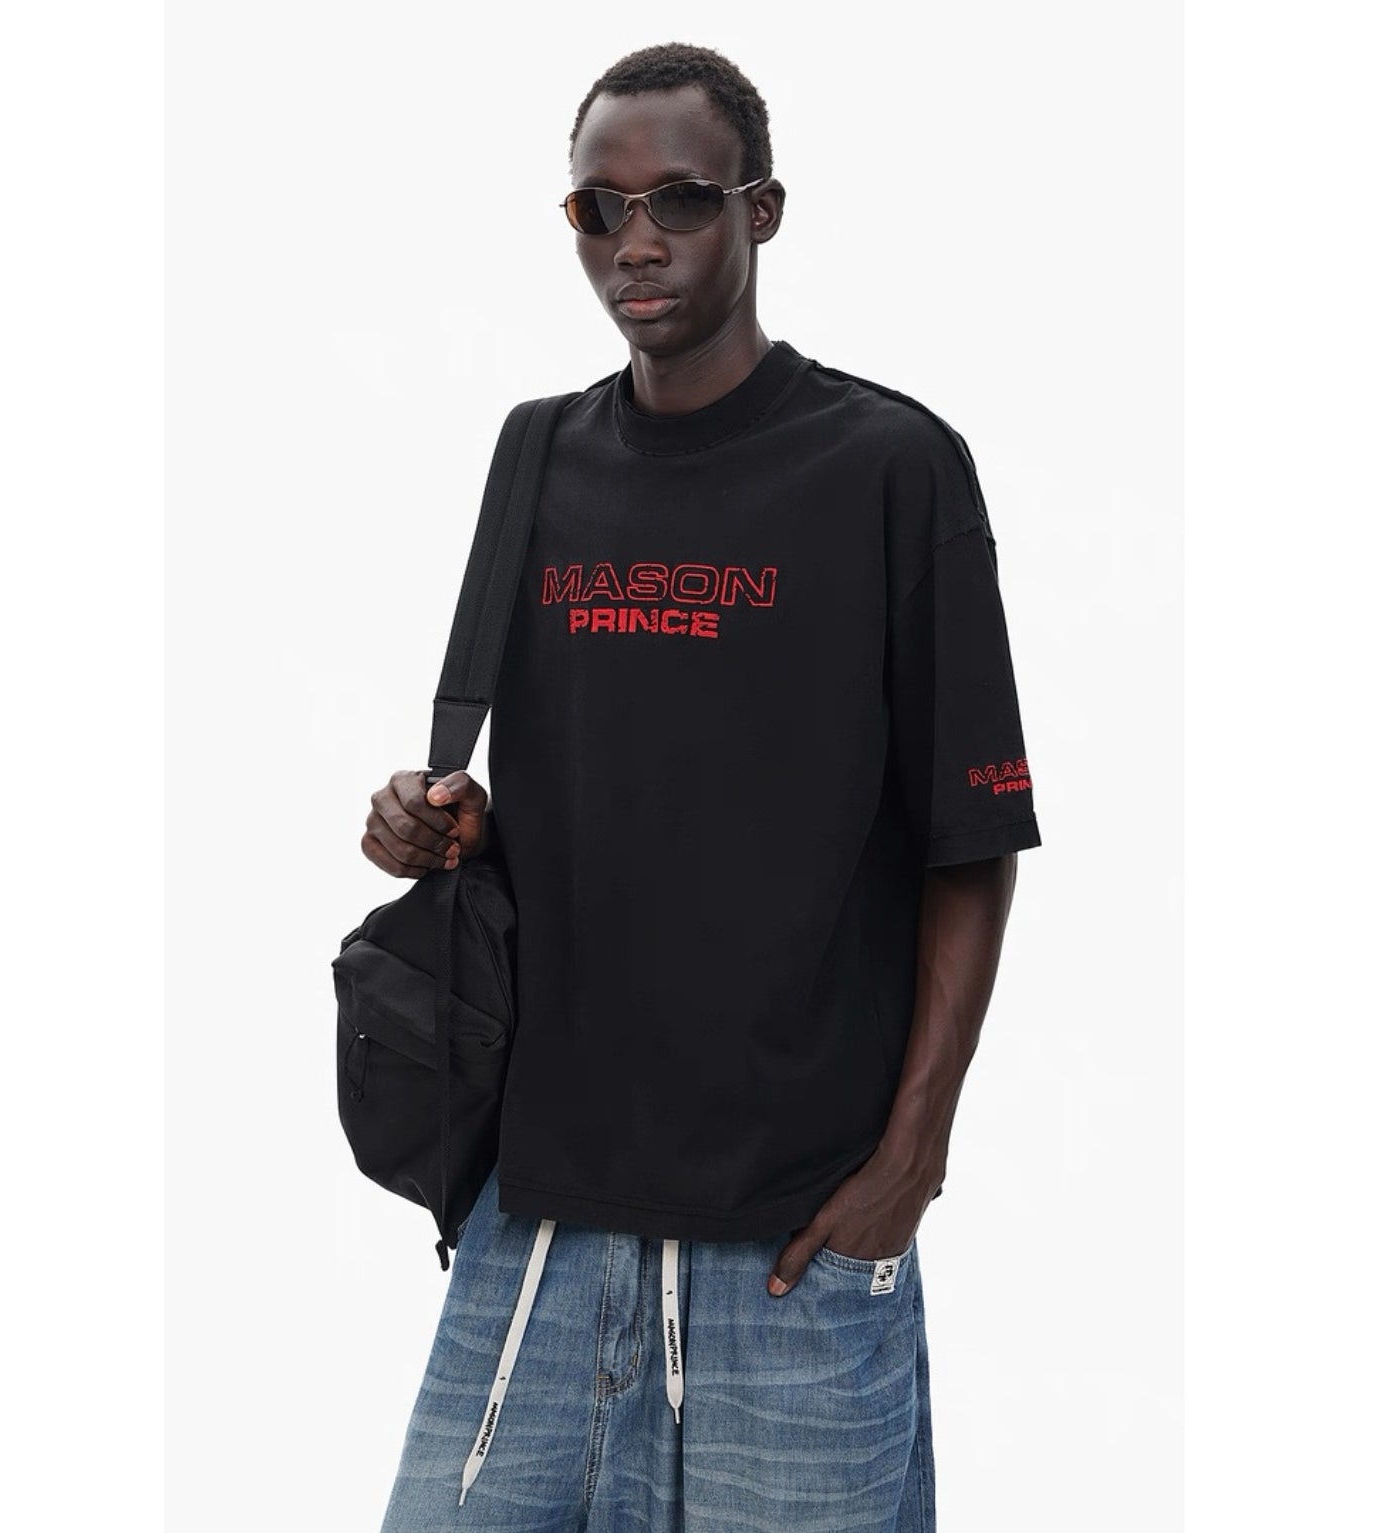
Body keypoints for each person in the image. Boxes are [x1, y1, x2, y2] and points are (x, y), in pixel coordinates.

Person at [358, 41, 1040, 1533]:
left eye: (679, 199)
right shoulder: (536, 457)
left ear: (761, 211)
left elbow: (970, 836)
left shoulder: (889, 467)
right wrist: (441, 822)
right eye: (597, 209)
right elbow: (593, 779)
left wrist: (911, 1162)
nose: (637, 242)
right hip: (535, 1214)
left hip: (791, 1234)